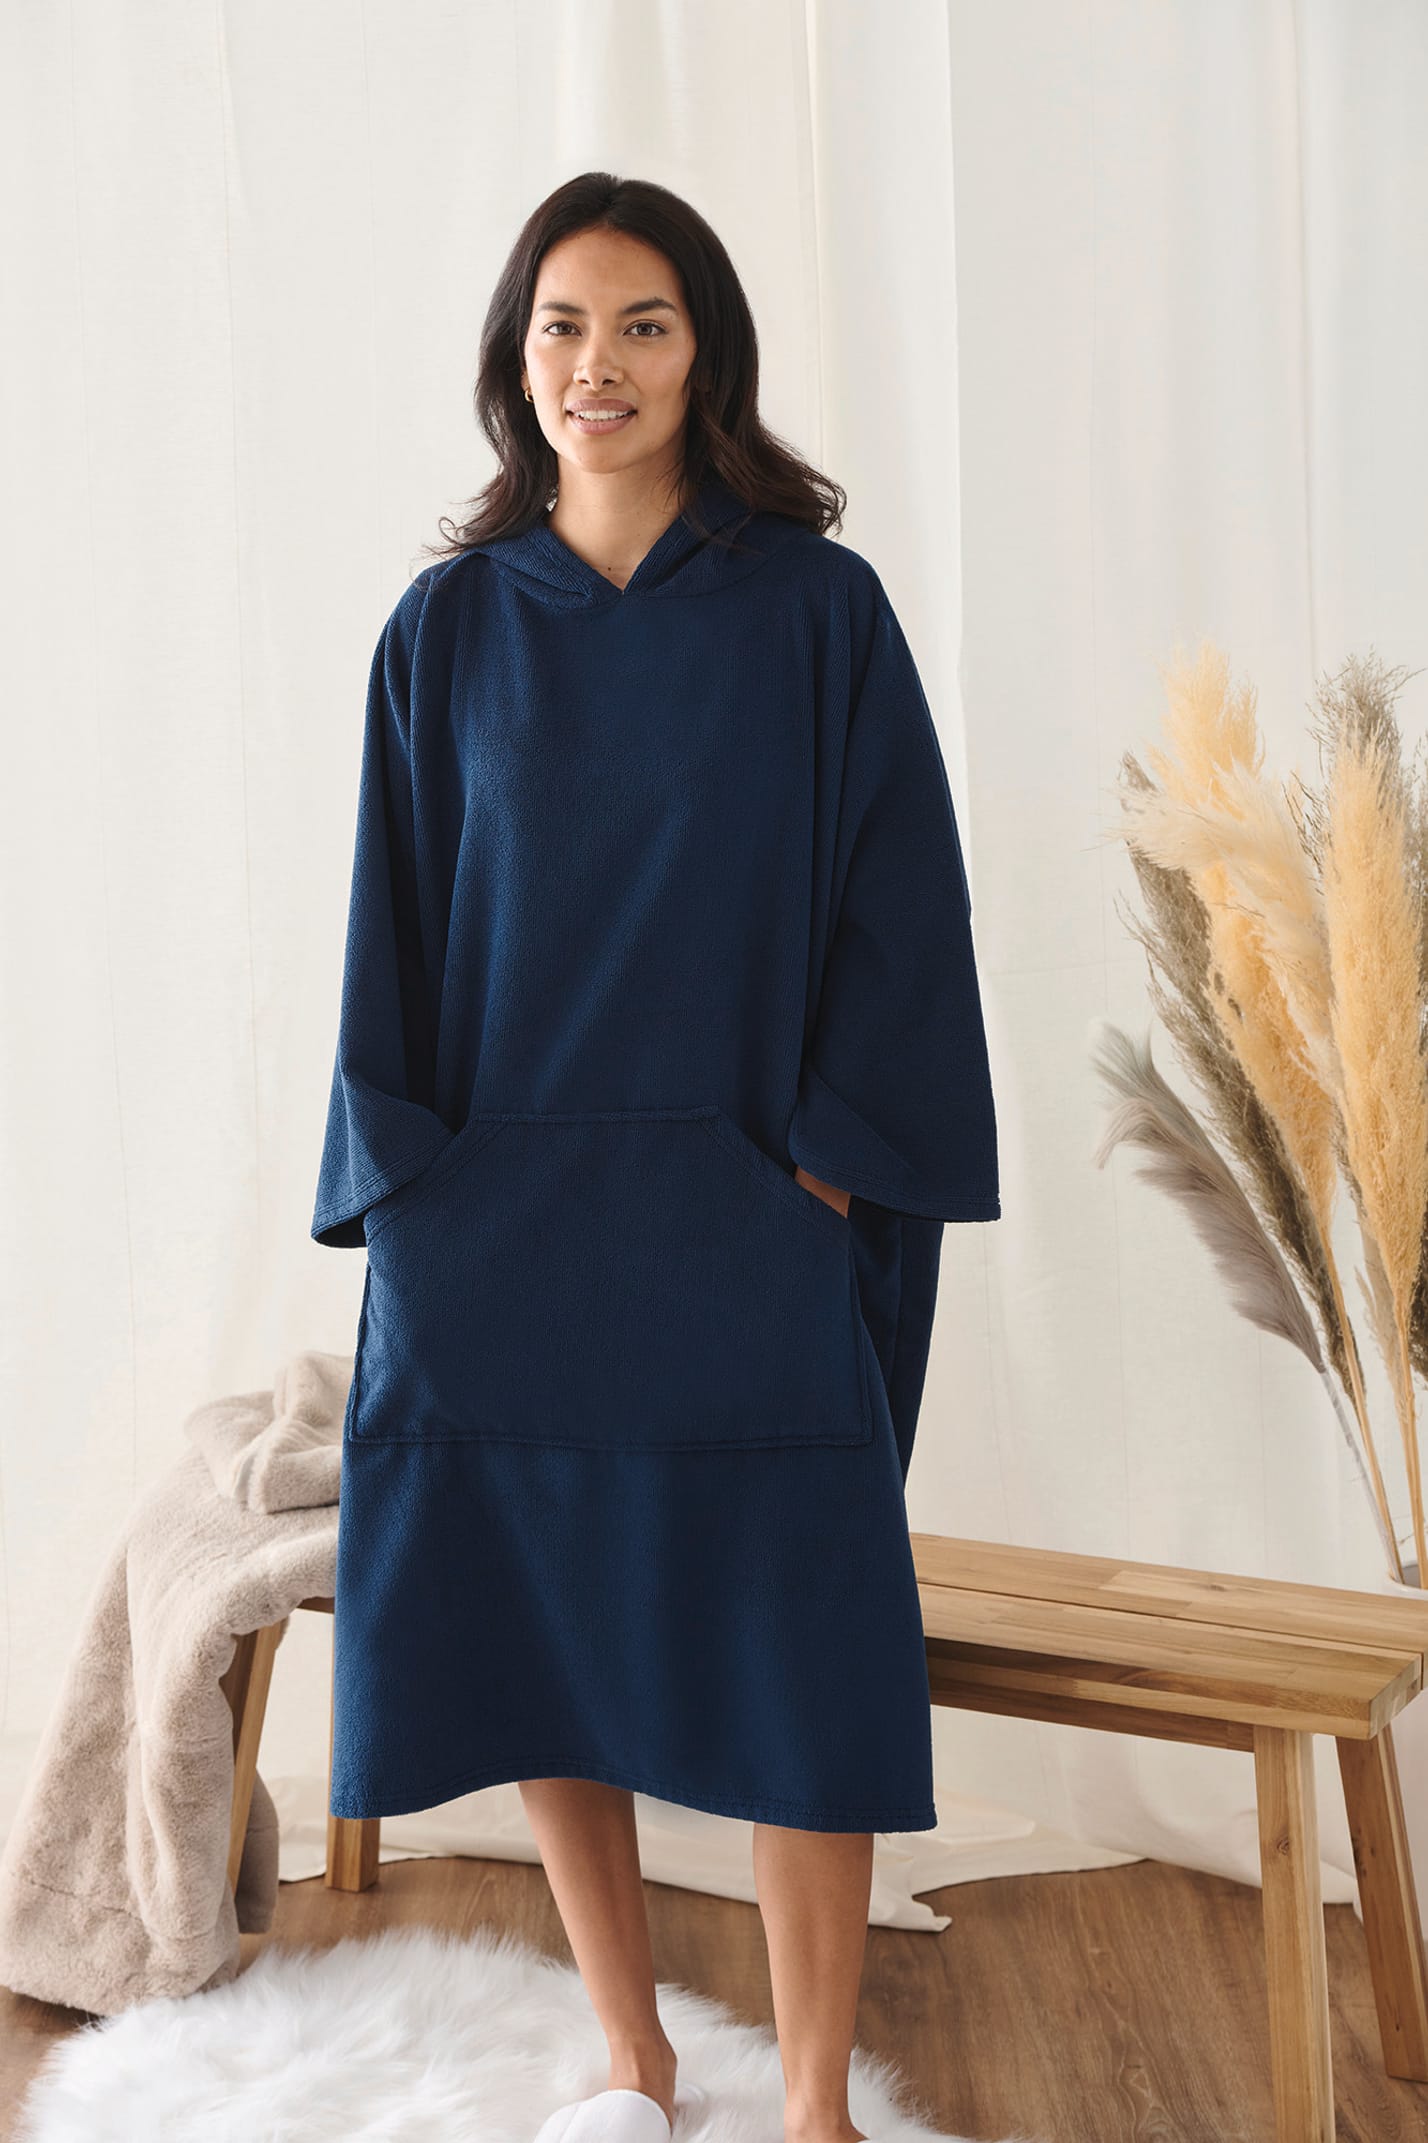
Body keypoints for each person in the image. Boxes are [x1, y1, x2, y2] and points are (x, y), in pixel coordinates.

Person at [311, 171, 1000, 2143]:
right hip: (502, 1233)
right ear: (513, 358)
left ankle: (815, 2102)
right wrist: (412, 1197)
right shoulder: (444, 631)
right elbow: (389, 939)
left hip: (747, 1221)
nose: (594, 364)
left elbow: (903, 915)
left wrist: (829, 1173)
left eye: (642, 324)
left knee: (805, 1653)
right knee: (541, 1632)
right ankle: (630, 2055)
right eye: (562, 324)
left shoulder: (815, 612)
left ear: (708, 358)